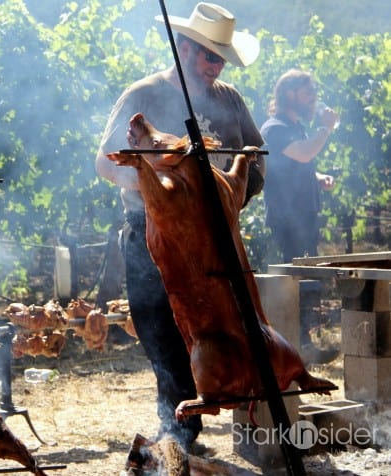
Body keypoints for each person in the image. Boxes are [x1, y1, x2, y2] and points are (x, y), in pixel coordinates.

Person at [95, 2, 264, 454]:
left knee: (217, 327)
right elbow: (105, 164)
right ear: (184, 49)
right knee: (163, 334)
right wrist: (164, 197)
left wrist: (223, 201)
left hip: (214, 240)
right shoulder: (143, 94)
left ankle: (212, 409)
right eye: (210, 56)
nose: (217, 66)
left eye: (221, 58)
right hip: (152, 235)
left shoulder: (230, 100)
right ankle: (178, 432)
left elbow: (256, 164)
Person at [261, 68, 339, 364]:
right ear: (290, 93)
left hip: (303, 216)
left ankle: (304, 343)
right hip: (287, 219)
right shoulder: (275, 128)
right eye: (308, 92)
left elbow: (300, 163)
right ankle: (295, 346)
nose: (313, 98)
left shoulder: (296, 129)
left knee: (308, 279)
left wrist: (316, 177)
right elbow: (304, 153)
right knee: (296, 282)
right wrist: (326, 129)